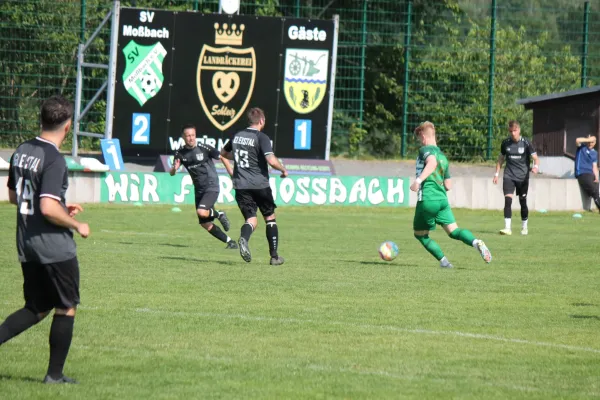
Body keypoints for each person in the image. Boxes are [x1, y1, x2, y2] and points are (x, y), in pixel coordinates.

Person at [0, 95, 90, 384]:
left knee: (36, 307)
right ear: (67, 127)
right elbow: (47, 207)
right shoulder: (54, 159)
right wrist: (76, 223)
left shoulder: (22, 149)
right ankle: (54, 375)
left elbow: (15, 195)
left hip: (26, 244)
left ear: (42, 119)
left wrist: (62, 207)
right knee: (66, 306)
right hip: (54, 248)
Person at [410, 121, 491, 268]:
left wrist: (418, 180)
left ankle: (445, 263)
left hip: (428, 199)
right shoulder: (443, 157)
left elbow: (432, 162)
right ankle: (476, 242)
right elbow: (448, 185)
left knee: (420, 234)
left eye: (419, 138)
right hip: (442, 201)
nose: (419, 141)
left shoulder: (425, 150)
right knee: (454, 231)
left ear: (423, 135)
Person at [220, 107, 288, 266]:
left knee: (251, 219)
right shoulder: (261, 137)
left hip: (241, 186)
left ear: (249, 121)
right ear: (262, 121)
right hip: (259, 184)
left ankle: (244, 238)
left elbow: (223, 154)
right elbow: (271, 160)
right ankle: (274, 256)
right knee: (269, 217)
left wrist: (232, 171)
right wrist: (283, 169)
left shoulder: (236, 136)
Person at [170, 124, 238, 249]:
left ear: (195, 136)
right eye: (188, 136)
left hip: (211, 185)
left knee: (201, 211)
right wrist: (174, 169)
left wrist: (232, 175)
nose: (190, 138)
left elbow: (222, 156)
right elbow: (172, 173)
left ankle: (220, 214)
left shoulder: (204, 148)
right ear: (183, 137)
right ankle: (230, 242)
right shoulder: (180, 153)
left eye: (192, 135)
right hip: (199, 190)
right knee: (205, 223)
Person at [493, 120, 539, 236]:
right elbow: (500, 159)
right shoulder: (505, 143)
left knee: (522, 201)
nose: (513, 133)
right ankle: (507, 228)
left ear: (519, 130)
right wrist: (497, 174)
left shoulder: (526, 143)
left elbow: (535, 158)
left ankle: (524, 227)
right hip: (509, 175)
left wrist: (535, 167)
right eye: (510, 131)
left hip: (523, 177)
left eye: (515, 130)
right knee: (508, 200)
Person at [574, 135, 600, 212]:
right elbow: (577, 139)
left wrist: (596, 177)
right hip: (582, 173)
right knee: (594, 192)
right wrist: (588, 139)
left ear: (595, 143)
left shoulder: (594, 153)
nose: (590, 143)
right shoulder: (581, 147)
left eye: (592, 142)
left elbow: (594, 166)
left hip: (591, 174)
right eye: (589, 142)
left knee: (596, 191)